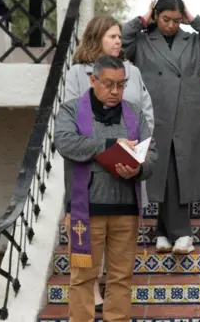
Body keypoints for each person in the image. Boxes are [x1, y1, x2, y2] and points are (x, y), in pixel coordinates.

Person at [122, 0, 200, 254]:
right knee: (163, 172)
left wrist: (193, 19)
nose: (171, 25)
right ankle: (181, 233)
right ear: (156, 16)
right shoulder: (142, 42)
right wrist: (141, 20)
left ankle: (164, 233)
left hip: (188, 117)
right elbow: (119, 41)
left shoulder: (193, 41)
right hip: (156, 115)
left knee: (180, 173)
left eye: (177, 20)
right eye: (165, 19)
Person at [55, 55, 158, 322]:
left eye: (121, 85)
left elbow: (152, 153)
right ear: (93, 80)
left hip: (126, 209)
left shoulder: (134, 112)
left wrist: (139, 169)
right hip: (85, 209)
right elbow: (65, 143)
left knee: (121, 278)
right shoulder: (71, 110)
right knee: (83, 278)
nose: (115, 91)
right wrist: (110, 145)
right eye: (109, 84)